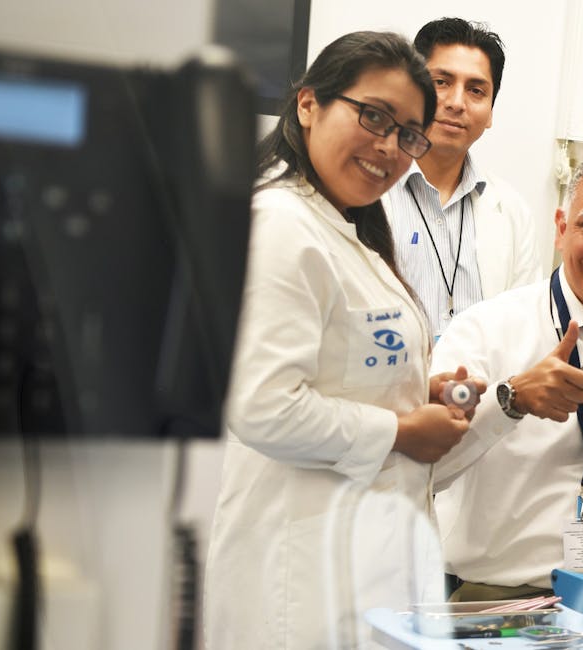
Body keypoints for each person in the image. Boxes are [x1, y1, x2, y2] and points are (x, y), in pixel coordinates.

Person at [203, 31, 483, 649]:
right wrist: (400, 430)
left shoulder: (347, 231)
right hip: (298, 584)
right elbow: (263, 407)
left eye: (408, 134)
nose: (389, 146)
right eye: (373, 116)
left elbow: (338, 370)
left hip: (359, 567)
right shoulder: (283, 225)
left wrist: (413, 391)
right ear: (309, 104)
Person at [431, 145, 583, 601]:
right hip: (509, 598)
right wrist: (509, 402)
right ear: (561, 228)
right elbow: (423, 471)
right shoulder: (485, 332)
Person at [382, 17, 542, 340]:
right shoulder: (366, 193)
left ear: (491, 111)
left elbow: (524, 332)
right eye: (441, 82)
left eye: (476, 90)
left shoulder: (512, 212)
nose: (456, 103)